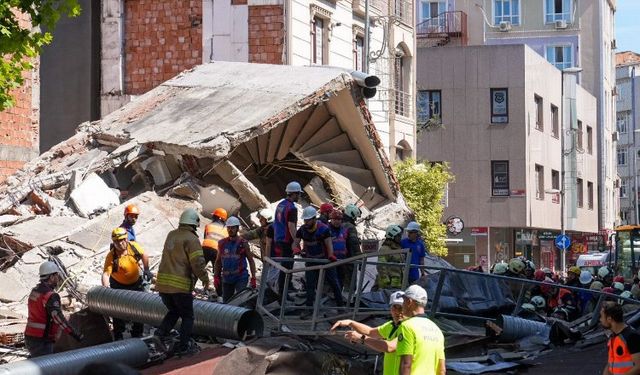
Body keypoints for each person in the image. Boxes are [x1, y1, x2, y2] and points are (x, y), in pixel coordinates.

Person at [155, 208, 210, 356]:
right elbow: (197, 263)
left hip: (162, 286)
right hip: (180, 287)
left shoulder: (171, 235)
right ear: (194, 225)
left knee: (174, 311)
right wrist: (205, 279)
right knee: (188, 316)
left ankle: (160, 334)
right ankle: (184, 346)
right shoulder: (192, 239)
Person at [330, 291, 405, 375]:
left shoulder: (409, 327)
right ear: (391, 309)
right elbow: (370, 331)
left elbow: (390, 347)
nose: (399, 312)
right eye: (395, 307)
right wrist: (351, 322)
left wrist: (361, 338)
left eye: (401, 308)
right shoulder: (391, 325)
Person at [25, 261, 83, 357]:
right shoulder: (51, 296)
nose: (58, 278)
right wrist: (75, 334)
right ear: (51, 277)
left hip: (30, 335)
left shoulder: (35, 291)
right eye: (56, 275)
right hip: (42, 339)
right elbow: (59, 319)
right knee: (45, 367)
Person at [294, 206, 344, 317]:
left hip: (325, 261)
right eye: (305, 220)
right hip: (311, 261)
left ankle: (341, 307)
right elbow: (295, 242)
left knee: (334, 283)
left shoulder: (324, 229)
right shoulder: (302, 230)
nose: (306, 222)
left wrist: (331, 255)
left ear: (314, 219)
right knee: (310, 285)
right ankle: (309, 309)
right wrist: (296, 248)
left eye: (308, 220)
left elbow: (329, 244)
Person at [102, 227, 151, 340]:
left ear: (126, 239)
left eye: (122, 240)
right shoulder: (111, 256)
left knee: (139, 309)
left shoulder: (133, 247)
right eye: (117, 241)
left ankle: (137, 333)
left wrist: (147, 269)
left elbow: (144, 255)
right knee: (117, 311)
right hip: (118, 285)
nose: (120, 243)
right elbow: (106, 274)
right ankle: (119, 335)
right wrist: (106, 288)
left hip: (135, 284)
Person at [397, 285, 445, 375]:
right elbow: (442, 370)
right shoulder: (437, 330)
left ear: (409, 302)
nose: (402, 305)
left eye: (403, 301)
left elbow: (406, 364)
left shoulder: (407, 326)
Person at [214, 216, 257, 303]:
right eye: (228, 227)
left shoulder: (243, 243)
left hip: (240, 277)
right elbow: (218, 262)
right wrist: (216, 276)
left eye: (233, 227)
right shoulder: (222, 243)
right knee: (227, 302)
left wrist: (253, 277)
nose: (230, 230)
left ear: (237, 228)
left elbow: (251, 261)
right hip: (226, 278)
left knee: (241, 301)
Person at [273, 181, 302, 299]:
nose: (299, 196)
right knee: (287, 266)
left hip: (278, 238)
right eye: (298, 194)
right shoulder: (292, 208)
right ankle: (283, 292)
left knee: (286, 264)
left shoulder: (280, 205)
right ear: (294, 194)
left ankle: (287, 287)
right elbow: (291, 226)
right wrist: (296, 242)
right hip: (286, 240)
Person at [601, 301, 640, 374]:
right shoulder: (613, 337)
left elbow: (638, 367)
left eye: (602, 316)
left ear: (609, 319)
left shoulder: (631, 336)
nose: (600, 320)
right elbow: (611, 362)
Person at [376, 225, 405, 289]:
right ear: (392, 236)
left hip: (397, 284)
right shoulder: (385, 249)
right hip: (388, 285)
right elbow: (381, 266)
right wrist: (386, 282)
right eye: (398, 236)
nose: (400, 237)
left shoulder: (397, 248)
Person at [202, 208, 228, 274]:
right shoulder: (227, 230)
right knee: (217, 273)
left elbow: (205, 238)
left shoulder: (208, 225)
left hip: (205, 248)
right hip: (218, 251)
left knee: (199, 269)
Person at [329, 209, 350, 288]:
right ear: (331, 219)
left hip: (342, 260)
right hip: (331, 260)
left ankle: (338, 297)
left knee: (341, 279)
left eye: (339, 219)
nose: (337, 221)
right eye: (334, 219)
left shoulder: (345, 230)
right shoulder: (327, 229)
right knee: (331, 280)